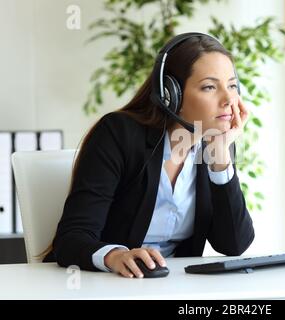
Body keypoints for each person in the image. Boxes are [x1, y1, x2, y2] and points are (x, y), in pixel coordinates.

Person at [43, 33, 255, 278]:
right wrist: (115, 256)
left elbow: (234, 245)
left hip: (170, 287)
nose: (229, 99)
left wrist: (220, 158)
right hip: (103, 284)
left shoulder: (217, 146)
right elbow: (71, 239)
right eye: (209, 87)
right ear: (171, 94)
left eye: (231, 85)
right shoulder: (119, 134)